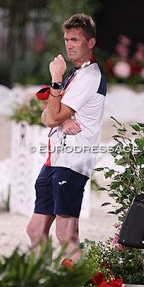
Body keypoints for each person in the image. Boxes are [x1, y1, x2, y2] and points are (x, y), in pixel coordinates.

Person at [26, 13, 107, 261]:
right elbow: (46, 115)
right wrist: (62, 118)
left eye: (75, 39)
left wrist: (55, 80)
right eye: (66, 39)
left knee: (66, 235)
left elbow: (50, 118)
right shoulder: (76, 73)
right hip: (55, 159)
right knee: (35, 229)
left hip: (73, 161)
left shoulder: (89, 76)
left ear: (90, 42)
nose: (69, 45)